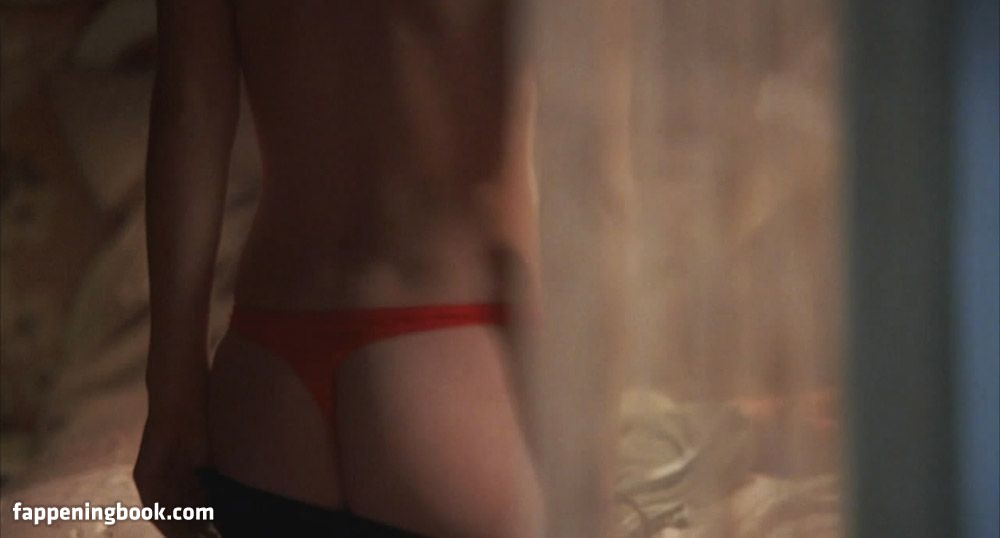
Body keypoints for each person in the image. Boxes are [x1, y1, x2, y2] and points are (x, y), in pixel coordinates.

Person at [132, 1, 543, 536]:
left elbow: (189, 110)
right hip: (450, 358)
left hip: (266, 377)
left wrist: (172, 396)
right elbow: (597, 192)